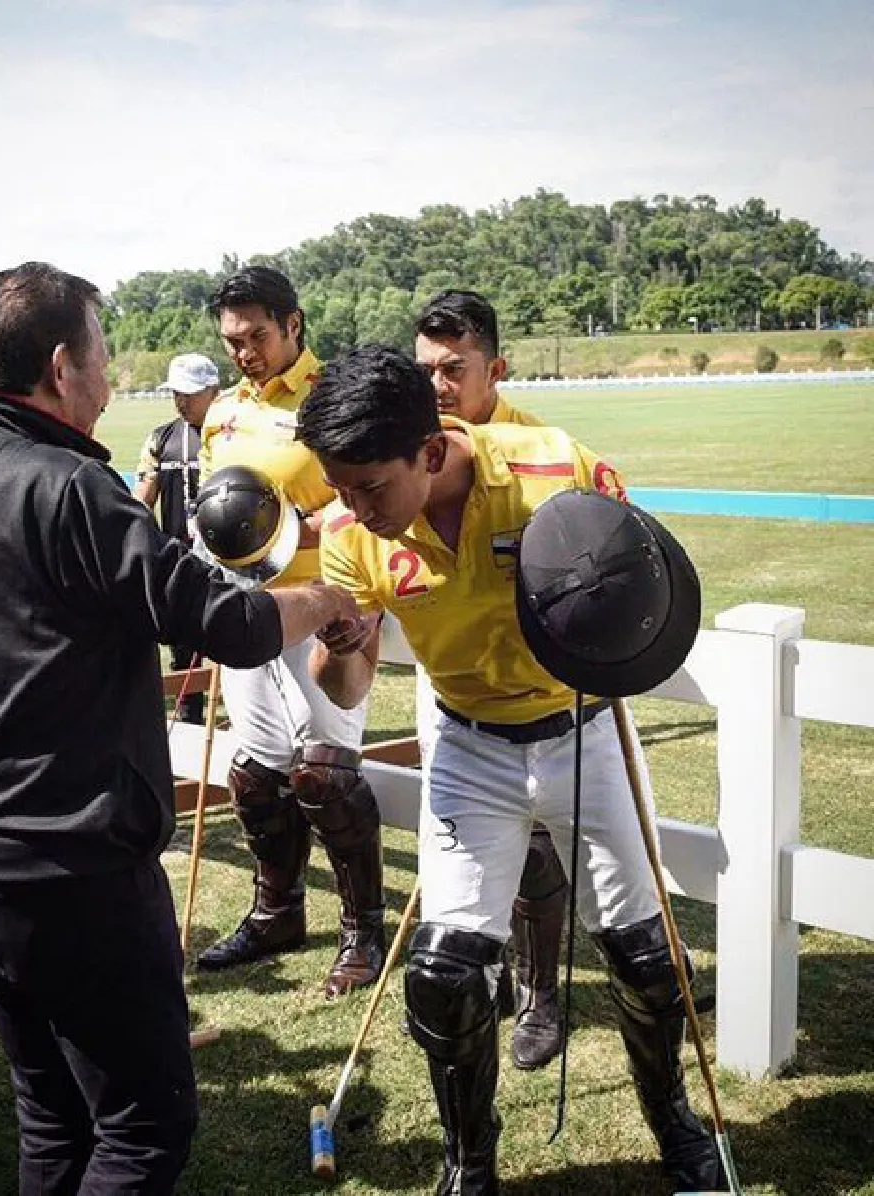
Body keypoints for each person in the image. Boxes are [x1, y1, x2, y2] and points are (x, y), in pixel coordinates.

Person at [0, 261, 362, 1196]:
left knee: (53, 1114)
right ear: (60, 367)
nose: (111, 379)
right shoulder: (73, 490)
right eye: (101, 354)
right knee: (141, 1130)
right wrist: (326, 598)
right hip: (69, 879)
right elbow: (230, 624)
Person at [299, 345, 723, 1194]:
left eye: (370, 487)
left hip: (583, 730)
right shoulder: (348, 534)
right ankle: (470, 1165)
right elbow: (345, 685)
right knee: (444, 977)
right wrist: (341, 647)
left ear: (429, 450)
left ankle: (675, 1123)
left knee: (645, 961)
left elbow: (643, 583)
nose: (353, 509)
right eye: (338, 488)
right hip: (468, 747)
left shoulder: (556, 468)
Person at [195, 266, 385, 1000]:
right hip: (248, 610)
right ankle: (277, 914)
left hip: (325, 601)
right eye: (232, 341)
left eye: (257, 337)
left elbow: (367, 492)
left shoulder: (333, 396)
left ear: (294, 325)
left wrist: (293, 527)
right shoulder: (221, 413)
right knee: (256, 773)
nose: (245, 352)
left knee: (325, 776)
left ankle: (363, 933)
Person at [414, 290, 568, 1071]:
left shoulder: (542, 447)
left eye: (453, 369)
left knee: (535, 845)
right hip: (447, 682)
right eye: (425, 370)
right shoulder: (411, 447)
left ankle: (541, 991)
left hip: (534, 687)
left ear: (495, 368)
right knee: (467, 844)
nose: (437, 386)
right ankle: (485, 973)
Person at [133, 352, 220, 725]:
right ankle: (189, 716)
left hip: (226, 558)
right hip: (179, 557)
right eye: (176, 394)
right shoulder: (161, 438)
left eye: (190, 394)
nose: (181, 402)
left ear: (213, 391)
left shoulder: (231, 435)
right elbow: (143, 497)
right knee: (182, 644)